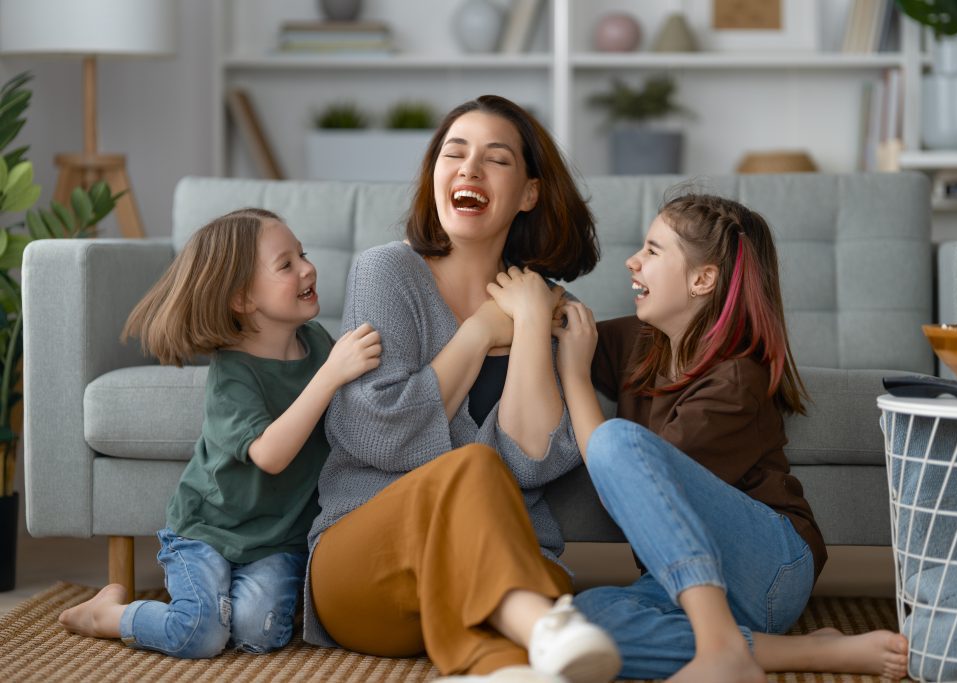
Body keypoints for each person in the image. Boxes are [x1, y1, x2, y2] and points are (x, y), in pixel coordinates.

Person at [304, 95, 621, 683]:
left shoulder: (548, 308)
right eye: (454, 152)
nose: (470, 169)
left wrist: (528, 324)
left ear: (528, 193)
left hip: (492, 575)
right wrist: (477, 334)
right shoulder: (386, 272)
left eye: (496, 159)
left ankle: (506, 660)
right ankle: (542, 626)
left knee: (512, 660)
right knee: (475, 466)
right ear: (435, 175)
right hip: (363, 569)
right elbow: (376, 431)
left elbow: (532, 463)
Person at [551, 193, 910, 682]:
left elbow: (623, 477)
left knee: (618, 441)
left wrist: (574, 375)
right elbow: (562, 320)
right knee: (580, 624)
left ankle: (722, 645)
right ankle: (799, 653)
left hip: (768, 568)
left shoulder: (737, 380)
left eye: (653, 251)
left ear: (703, 279)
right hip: (677, 582)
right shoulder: (641, 344)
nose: (632, 261)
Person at [58, 208, 382, 659]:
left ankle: (224, 601)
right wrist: (330, 375)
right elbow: (270, 454)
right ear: (242, 299)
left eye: (302, 254)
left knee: (258, 635)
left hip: (277, 540)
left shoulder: (321, 346)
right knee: (201, 635)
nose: (308, 267)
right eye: (286, 264)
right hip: (207, 532)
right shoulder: (234, 374)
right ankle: (109, 616)